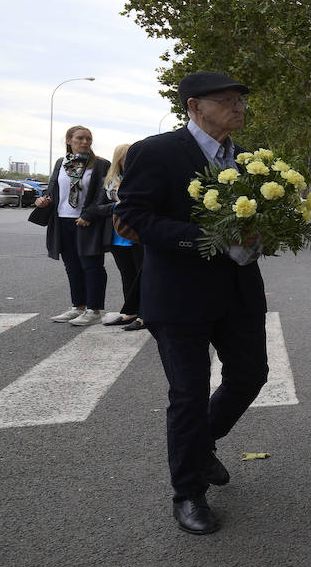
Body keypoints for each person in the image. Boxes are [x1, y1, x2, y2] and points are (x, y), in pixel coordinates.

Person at [116, 71, 269, 535]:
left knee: (250, 376)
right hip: (179, 296)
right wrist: (205, 237)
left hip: (239, 291)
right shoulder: (158, 152)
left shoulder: (247, 161)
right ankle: (188, 494)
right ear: (194, 107)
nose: (238, 108)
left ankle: (200, 446)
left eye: (241, 100)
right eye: (226, 100)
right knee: (188, 394)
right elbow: (132, 217)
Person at [38, 125, 111, 326]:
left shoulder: (101, 164)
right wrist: (43, 200)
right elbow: (54, 188)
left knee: (91, 266)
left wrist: (89, 214)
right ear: (69, 141)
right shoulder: (62, 163)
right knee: (72, 266)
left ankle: (94, 309)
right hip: (62, 219)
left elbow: (103, 193)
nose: (85, 142)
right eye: (80, 138)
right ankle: (78, 306)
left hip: (87, 221)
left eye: (88, 138)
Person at [96, 142, 144, 330]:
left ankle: (144, 315)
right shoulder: (109, 181)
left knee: (144, 275)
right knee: (127, 275)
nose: (132, 160)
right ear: (119, 159)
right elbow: (96, 208)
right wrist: (116, 206)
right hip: (117, 236)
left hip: (139, 234)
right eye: (127, 156)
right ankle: (130, 311)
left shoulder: (142, 177)